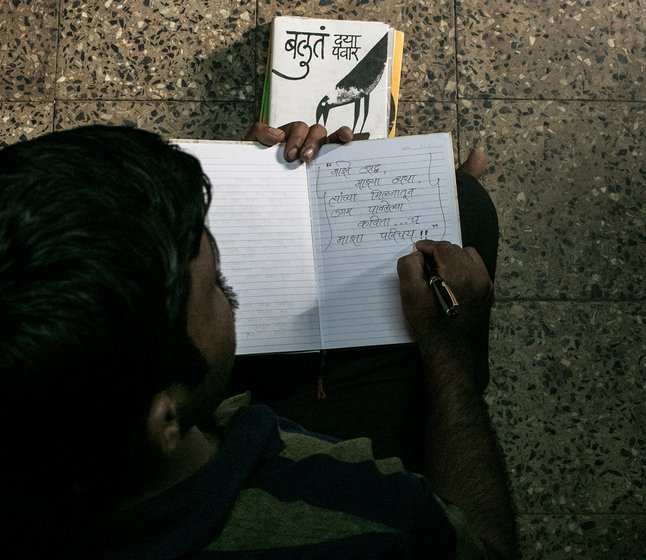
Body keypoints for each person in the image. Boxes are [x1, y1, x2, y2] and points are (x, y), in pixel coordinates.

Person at [0, 122, 517, 559]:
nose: (228, 279)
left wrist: (260, 182)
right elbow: (488, 547)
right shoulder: (362, 522)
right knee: (469, 208)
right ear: (165, 417)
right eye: (217, 285)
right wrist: (451, 354)